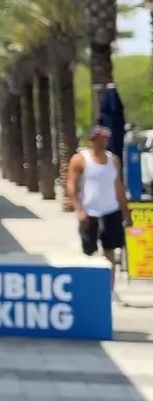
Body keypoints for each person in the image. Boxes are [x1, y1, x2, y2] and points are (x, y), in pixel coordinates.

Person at [66, 125, 132, 301]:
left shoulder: (113, 160)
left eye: (105, 139)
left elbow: (118, 187)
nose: (103, 142)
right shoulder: (80, 160)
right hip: (89, 212)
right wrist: (79, 210)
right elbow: (71, 186)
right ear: (92, 140)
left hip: (110, 211)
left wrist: (125, 212)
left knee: (110, 252)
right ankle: (88, 289)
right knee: (89, 253)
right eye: (100, 139)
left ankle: (109, 290)